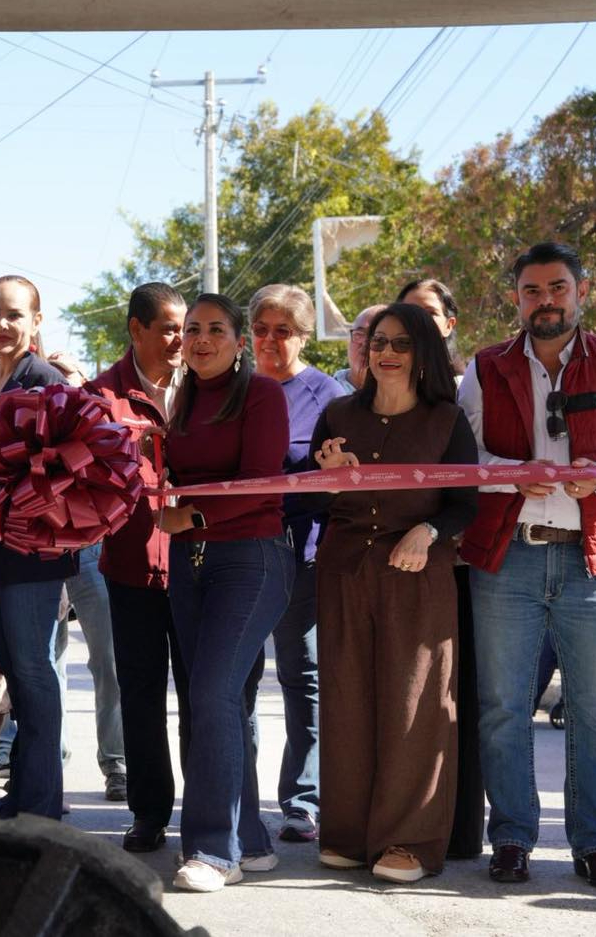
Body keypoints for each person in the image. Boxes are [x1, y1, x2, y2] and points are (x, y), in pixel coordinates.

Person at [459, 241, 596, 891]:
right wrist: (523, 475)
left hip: (592, 562)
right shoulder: (485, 368)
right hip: (507, 555)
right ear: (516, 299)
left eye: (557, 288)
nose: (545, 301)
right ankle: (512, 839)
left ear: (580, 290)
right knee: (502, 708)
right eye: (532, 291)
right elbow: (468, 455)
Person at [308, 302, 478, 883]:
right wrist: (329, 477)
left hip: (417, 574)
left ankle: (409, 841)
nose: (386, 353)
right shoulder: (335, 414)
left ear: (423, 351)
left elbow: (465, 502)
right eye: (378, 341)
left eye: (401, 343)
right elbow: (312, 500)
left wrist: (428, 532)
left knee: (417, 704)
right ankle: (349, 834)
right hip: (345, 573)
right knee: (346, 700)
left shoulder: (447, 420)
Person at [156, 293, 293, 893]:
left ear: (240, 342)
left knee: (211, 694)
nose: (201, 339)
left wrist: (192, 517)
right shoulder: (179, 400)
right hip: (191, 564)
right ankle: (252, 840)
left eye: (216, 329)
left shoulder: (261, 395)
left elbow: (263, 483)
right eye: (192, 330)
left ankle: (215, 850)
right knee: (217, 701)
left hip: (253, 561)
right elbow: (176, 481)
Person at [0, 275, 78, 820]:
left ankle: (42, 803)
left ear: (36, 322)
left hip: (32, 548)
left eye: (14, 315)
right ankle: (25, 792)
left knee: (32, 671)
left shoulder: (45, 378)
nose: (2, 324)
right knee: (13, 670)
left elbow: (60, 466)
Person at [86, 281, 189, 852]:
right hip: (130, 570)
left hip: (200, 567)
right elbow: (93, 478)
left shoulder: (207, 386)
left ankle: (209, 813)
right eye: (171, 328)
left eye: (187, 328)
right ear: (136, 330)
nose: (181, 340)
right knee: (142, 694)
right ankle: (149, 812)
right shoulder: (101, 396)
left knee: (203, 695)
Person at [242, 284, 344, 845]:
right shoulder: (231, 390)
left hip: (301, 555)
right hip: (235, 556)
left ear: (304, 336)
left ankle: (302, 803)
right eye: (261, 329)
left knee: (302, 678)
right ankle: (238, 800)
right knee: (238, 681)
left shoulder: (329, 395)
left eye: (284, 330)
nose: (270, 340)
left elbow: (338, 480)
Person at [395, 278, 483, 860]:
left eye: (430, 316)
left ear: (450, 323)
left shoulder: (470, 386)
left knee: (463, 696)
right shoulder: (380, 388)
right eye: (408, 320)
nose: (420, 328)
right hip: (401, 565)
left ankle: (458, 832)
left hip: (470, 557)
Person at [43, 351, 127, 803]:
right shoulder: (25, 428)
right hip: (38, 549)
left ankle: (117, 762)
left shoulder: (98, 424)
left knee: (109, 659)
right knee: (47, 661)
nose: (61, 393)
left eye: (71, 384)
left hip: (93, 549)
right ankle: (49, 762)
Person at [332, 304, 385, 395]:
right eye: (359, 334)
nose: (365, 342)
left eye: (377, 337)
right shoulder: (323, 394)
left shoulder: (410, 398)